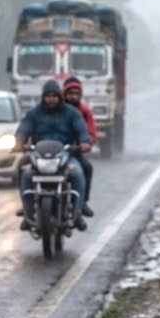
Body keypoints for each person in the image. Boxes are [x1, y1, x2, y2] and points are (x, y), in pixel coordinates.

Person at [15, 78, 91, 232]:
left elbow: (82, 131)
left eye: (54, 96)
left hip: (66, 156)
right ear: (43, 97)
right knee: (24, 171)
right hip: (38, 157)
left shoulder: (72, 113)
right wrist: (19, 141)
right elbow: (23, 129)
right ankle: (28, 212)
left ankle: (77, 213)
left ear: (60, 97)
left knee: (77, 173)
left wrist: (84, 142)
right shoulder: (33, 113)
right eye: (48, 96)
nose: (51, 99)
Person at [61, 76, 97, 217]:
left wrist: (86, 144)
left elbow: (90, 132)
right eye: (70, 93)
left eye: (76, 94)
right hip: (52, 152)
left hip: (73, 151)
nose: (73, 97)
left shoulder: (84, 112)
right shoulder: (56, 110)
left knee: (87, 168)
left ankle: (82, 202)